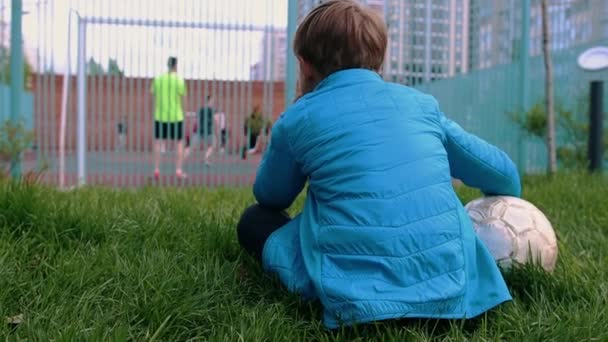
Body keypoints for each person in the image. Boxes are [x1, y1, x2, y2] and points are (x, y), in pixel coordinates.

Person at [236, 0, 521, 329]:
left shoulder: (298, 119)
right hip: (454, 295)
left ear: (304, 64)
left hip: (355, 303)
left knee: (254, 221)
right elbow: (505, 176)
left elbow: (270, 197)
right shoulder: (421, 105)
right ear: (379, 59)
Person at [150, 56, 187, 179]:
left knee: (158, 144)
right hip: (176, 117)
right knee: (179, 144)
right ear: (176, 65)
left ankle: (156, 170)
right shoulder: (179, 80)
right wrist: (184, 113)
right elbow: (184, 100)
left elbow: (153, 98)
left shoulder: (158, 79)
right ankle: (178, 170)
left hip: (160, 117)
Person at [198, 95, 218, 166]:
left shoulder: (201, 109)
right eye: (212, 100)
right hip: (208, 130)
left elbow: (198, 119)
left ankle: (206, 159)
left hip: (201, 130)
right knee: (213, 144)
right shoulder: (212, 110)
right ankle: (205, 158)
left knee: (211, 145)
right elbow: (216, 120)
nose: (213, 102)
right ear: (209, 101)